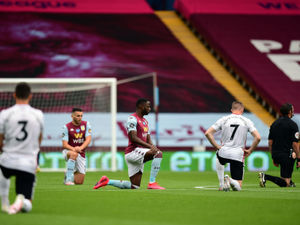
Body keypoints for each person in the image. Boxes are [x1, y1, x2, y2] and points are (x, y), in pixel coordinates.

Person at [93, 98, 164, 190]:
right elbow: (133, 138)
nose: (150, 109)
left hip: (139, 152)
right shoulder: (132, 119)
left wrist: (153, 147)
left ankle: (107, 181)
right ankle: (152, 182)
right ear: (140, 106)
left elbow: (148, 138)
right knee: (158, 154)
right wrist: (151, 148)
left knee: (134, 186)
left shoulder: (145, 121)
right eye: (148, 106)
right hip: (133, 152)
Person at [0, 82, 44, 214]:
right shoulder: (38, 114)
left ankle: (4, 202)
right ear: (30, 96)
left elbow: (0, 137)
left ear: (14, 95)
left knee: (2, 173)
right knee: (27, 205)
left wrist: (3, 148)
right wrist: (33, 149)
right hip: (28, 162)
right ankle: (22, 200)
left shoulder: (5, 113)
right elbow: (39, 137)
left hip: (8, 159)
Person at [205, 101, 261, 191]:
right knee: (238, 187)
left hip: (224, 152)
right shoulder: (247, 121)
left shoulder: (224, 119)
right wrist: (250, 150)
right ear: (242, 110)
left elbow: (208, 133)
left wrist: (217, 146)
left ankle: (221, 184)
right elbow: (258, 138)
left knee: (218, 155)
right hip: (238, 154)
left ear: (231, 110)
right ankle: (230, 180)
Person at [259, 103, 300, 187]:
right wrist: (299, 158)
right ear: (289, 111)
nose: (293, 112)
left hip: (277, 154)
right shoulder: (293, 125)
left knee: (286, 180)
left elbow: (270, 142)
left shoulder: (274, 124)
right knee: (286, 183)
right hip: (287, 154)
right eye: (292, 110)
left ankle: (290, 182)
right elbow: (295, 144)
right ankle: (266, 177)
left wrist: (273, 155)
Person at [62, 108, 92, 185]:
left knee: (79, 182)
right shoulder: (66, 127)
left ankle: (68, 173)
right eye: (78, 116)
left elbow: (88, 140)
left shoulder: (86, 124)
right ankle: (68, 180)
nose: (80, 118)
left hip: (81, 152)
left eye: (81, 116)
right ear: (72, 116)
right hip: (68, 151)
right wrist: (74, 149)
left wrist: (80, 148)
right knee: (73, 154)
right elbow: (65, 144)